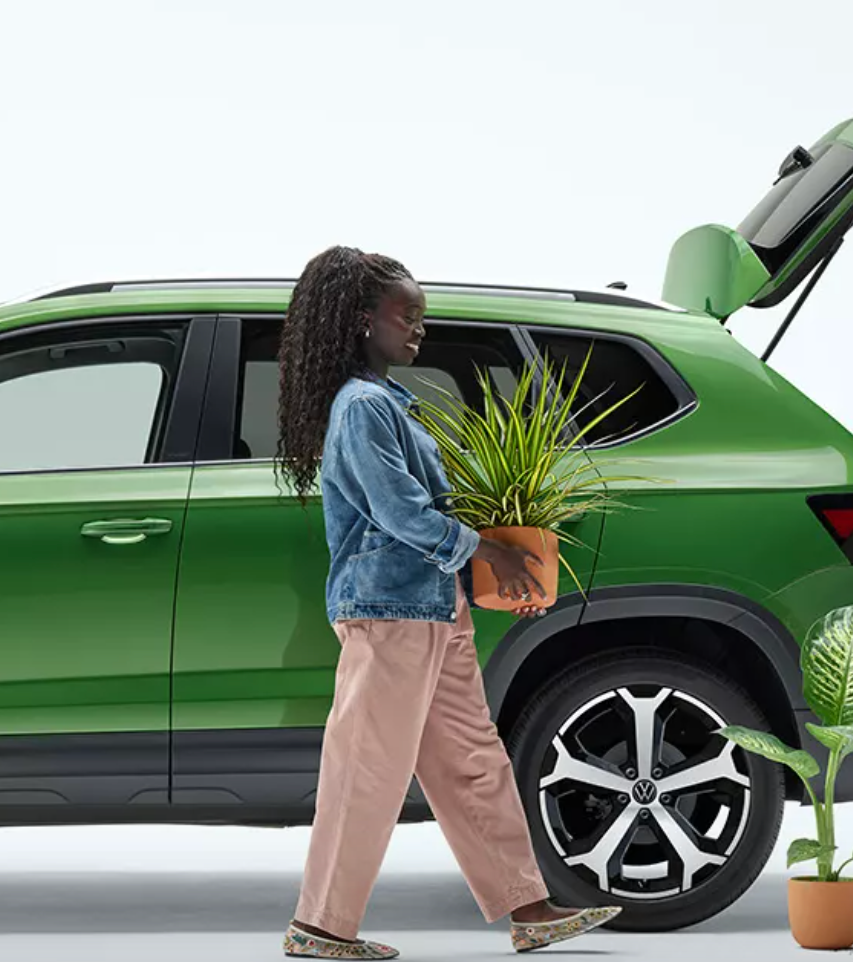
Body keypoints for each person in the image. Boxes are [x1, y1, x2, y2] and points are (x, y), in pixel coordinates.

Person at [272, 245, 621, 959]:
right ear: (362, 320)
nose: (419, 328)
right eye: (409, 314)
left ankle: (530, 908)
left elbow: (423, 519)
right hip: (389, 614)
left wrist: (488, 584)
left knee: (472, 761)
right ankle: (320, 927)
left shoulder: (387, 403)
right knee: (367, 769)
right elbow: (401, 512)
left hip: (430, 611)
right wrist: (488, 552)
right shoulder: (363, 408)